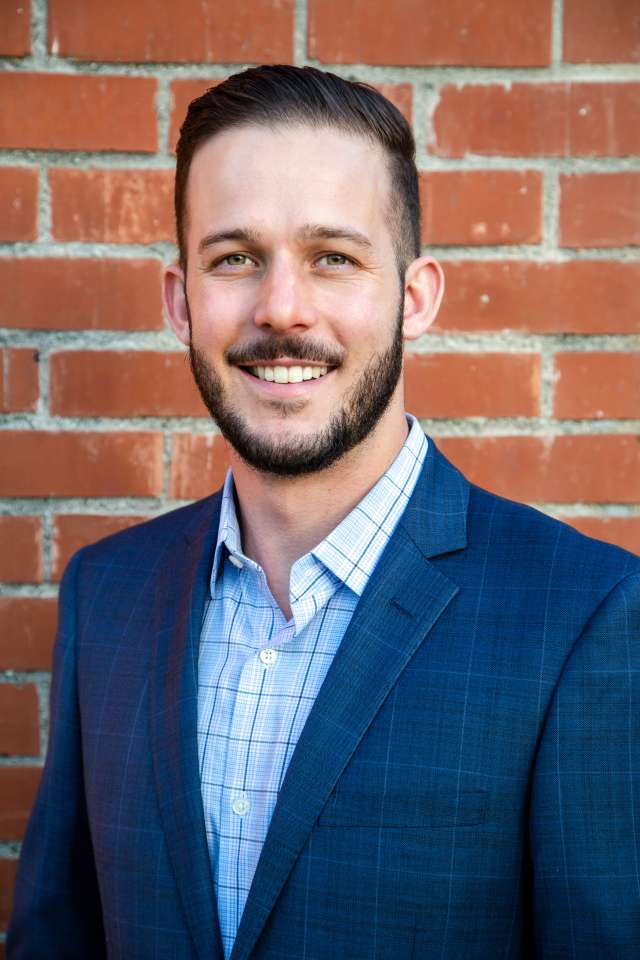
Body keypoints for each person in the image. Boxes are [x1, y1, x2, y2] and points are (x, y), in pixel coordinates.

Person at [7, 65, 640, 960]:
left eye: (332, 257)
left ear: (414, 298)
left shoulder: (582, 615)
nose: (281, 308)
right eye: (234, 258)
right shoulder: (105, 595)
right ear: (182, 301)